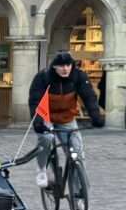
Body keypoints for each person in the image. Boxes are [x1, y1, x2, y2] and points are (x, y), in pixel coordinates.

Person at [29, 50, 104, 188]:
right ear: (54, 67)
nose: (65, 69)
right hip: (47, 117)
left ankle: (79, 195)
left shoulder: (79, 76)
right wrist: (38, 121)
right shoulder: (43, 77)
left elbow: (89, 97)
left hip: (66, 118)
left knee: (77, 154)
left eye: (68, 65)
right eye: (61, 66)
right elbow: (35, 100)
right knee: (46, 139)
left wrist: (96, 116)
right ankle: (41, 169)